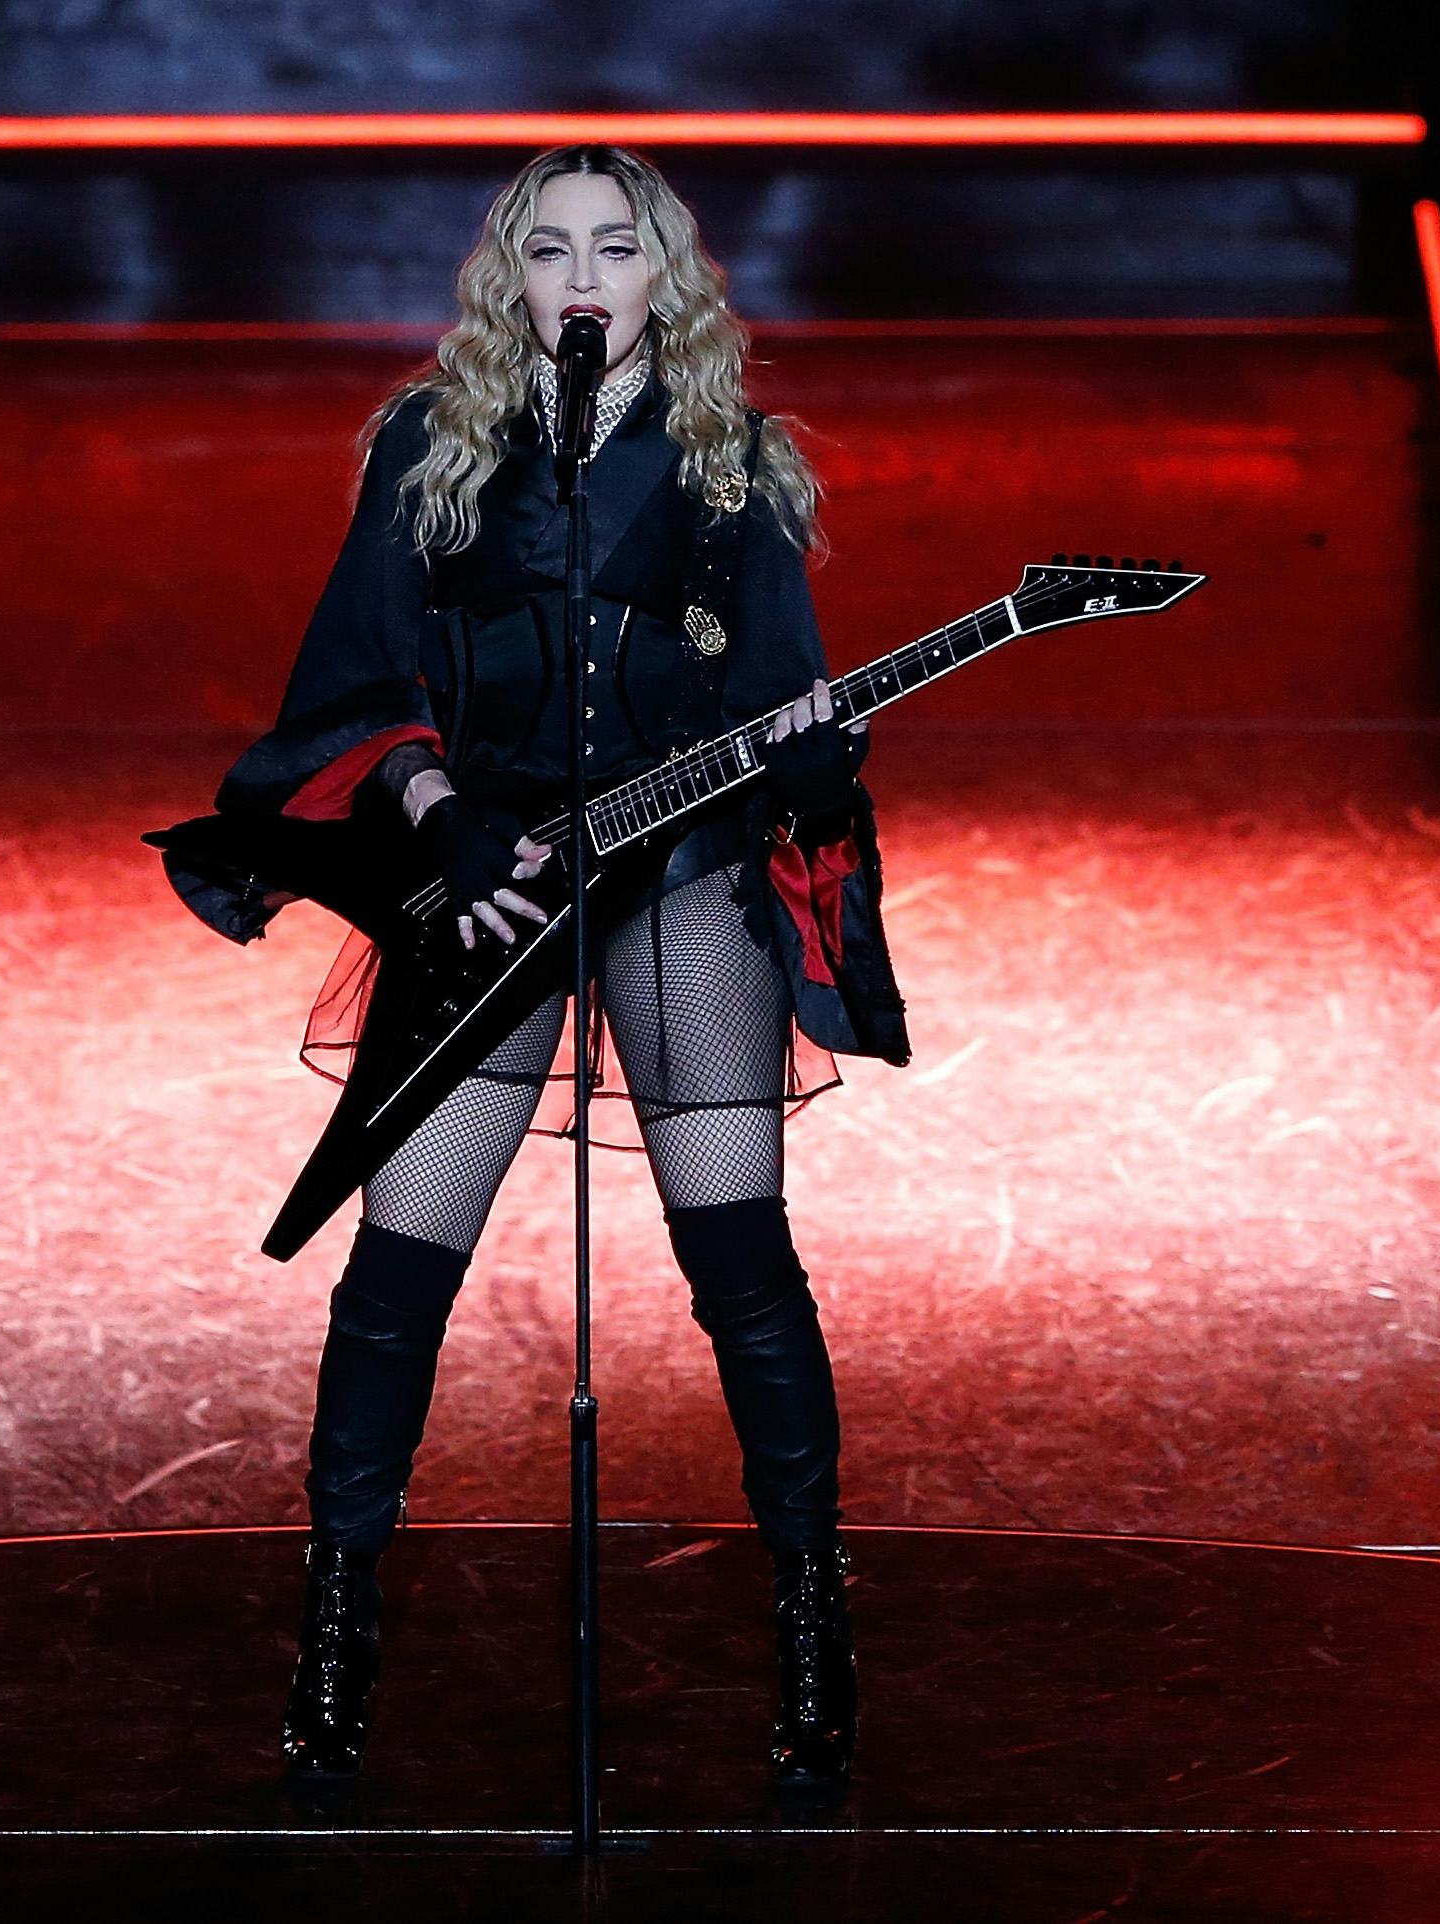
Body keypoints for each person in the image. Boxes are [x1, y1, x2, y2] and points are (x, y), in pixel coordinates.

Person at [158, 143, 909, 1787]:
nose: (583, 277)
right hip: (484, 884)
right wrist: (439, 819)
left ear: (662, 276)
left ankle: (812, 1623)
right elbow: (357, 675)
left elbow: (781, 706)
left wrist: (810, 756)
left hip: (678, 883)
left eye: (614, 249)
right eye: (550, 248)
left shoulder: (736, 466)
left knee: (742, 1266)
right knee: (396, 1272)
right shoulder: (431, 443)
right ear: (511, 276)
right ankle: (337, 1632)